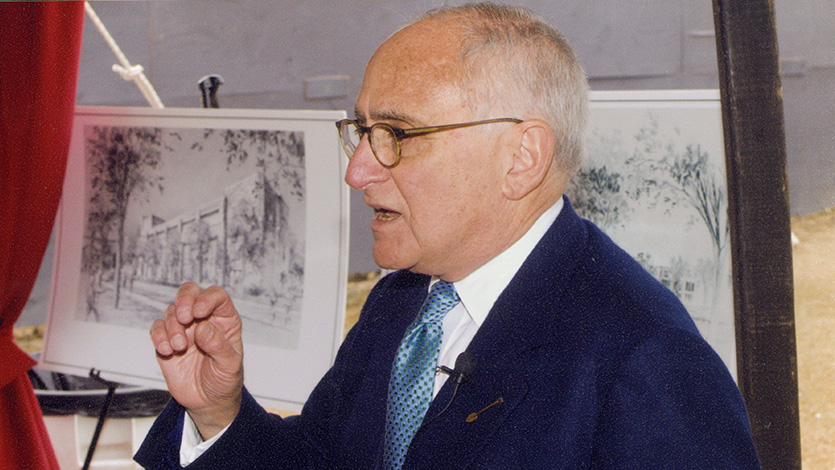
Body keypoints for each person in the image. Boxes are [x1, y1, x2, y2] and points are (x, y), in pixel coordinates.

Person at [135, 3, 761, 469]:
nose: (357, 170)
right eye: (362, 131)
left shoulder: (646, 360)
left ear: (521, 158)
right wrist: (217, 414)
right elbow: (323, 459)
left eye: (397, 135)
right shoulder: (403, 301)